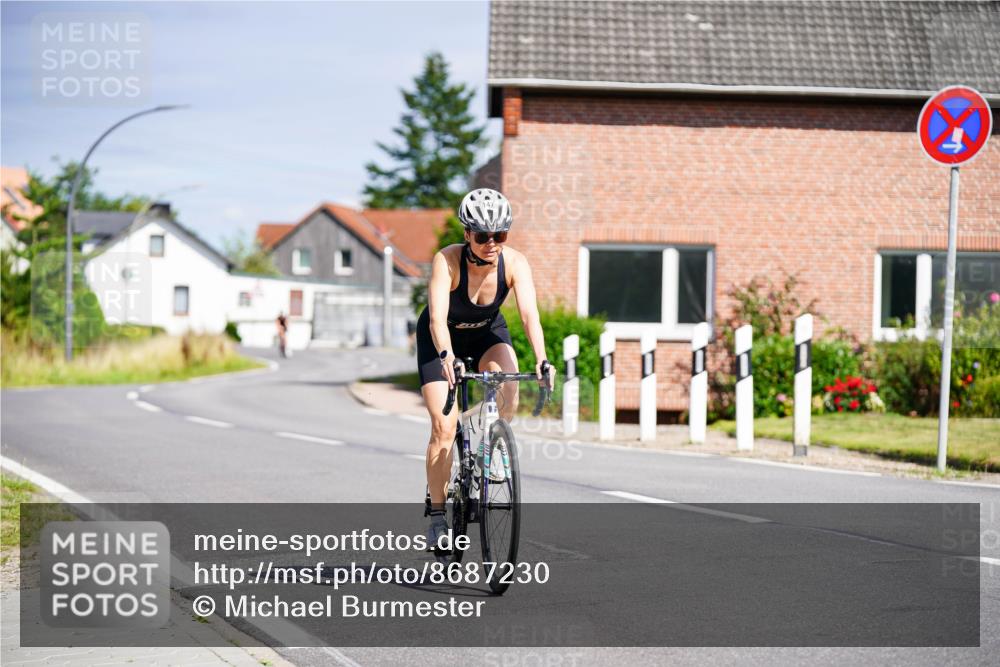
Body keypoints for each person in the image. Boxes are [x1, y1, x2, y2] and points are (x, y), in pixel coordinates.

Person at [415, 188, 554, 543]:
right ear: (466, 235)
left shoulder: (516, 263)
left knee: (510, 388)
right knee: (443, 428)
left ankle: (491, 450)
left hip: (486, 333)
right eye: (482, 236)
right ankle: (436, 514)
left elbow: (528, 316)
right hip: (441, 338)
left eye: (500, 235)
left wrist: (542, 359)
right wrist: (446, 356)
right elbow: (436, 320)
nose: (492, 243)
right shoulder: (446, 261)